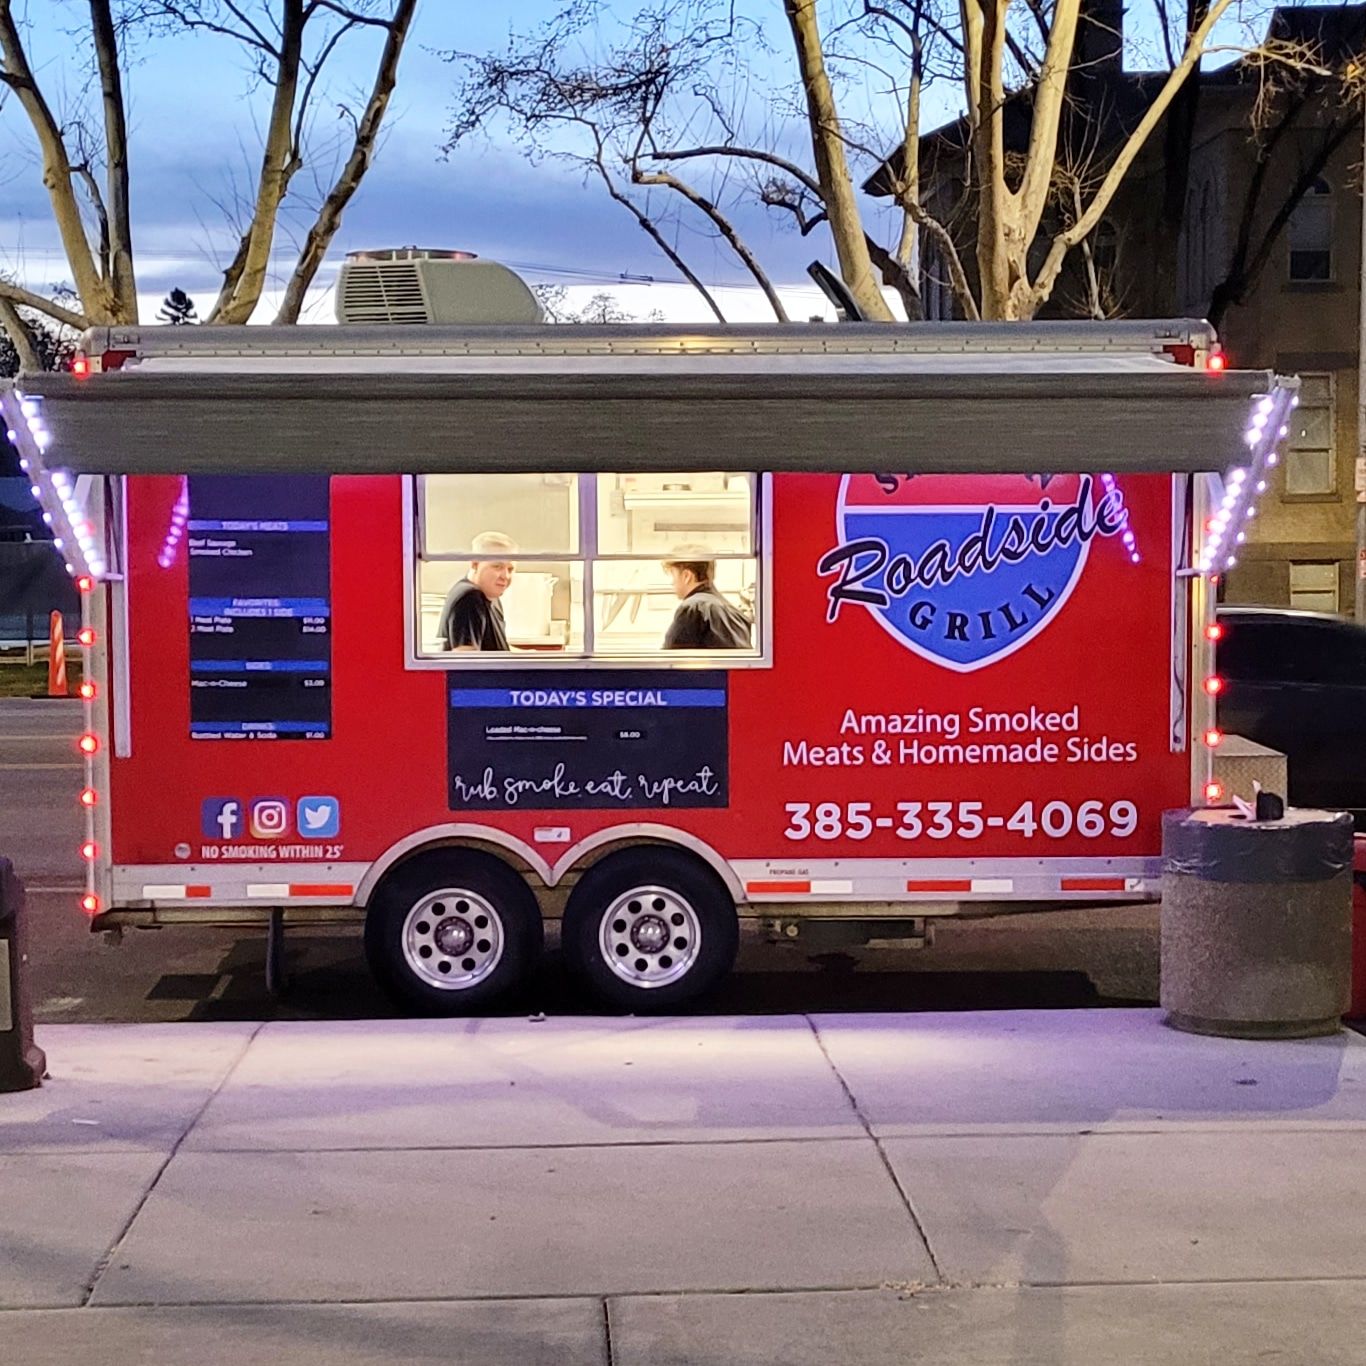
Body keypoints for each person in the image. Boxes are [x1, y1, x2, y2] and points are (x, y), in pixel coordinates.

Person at [661, 548, 752, 650]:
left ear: (687, 576)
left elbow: (670, 658)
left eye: (673, 574)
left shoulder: (693, 609)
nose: (671, 582)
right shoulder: (735, 612)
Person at [439, 531, 516, 651]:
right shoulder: (470, 598)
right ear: (475, 564)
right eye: (497, 566)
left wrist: (533, 655)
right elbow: (465, 656)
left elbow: (499, 650)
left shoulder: (491, 597)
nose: (505, 576)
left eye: (510, 569)